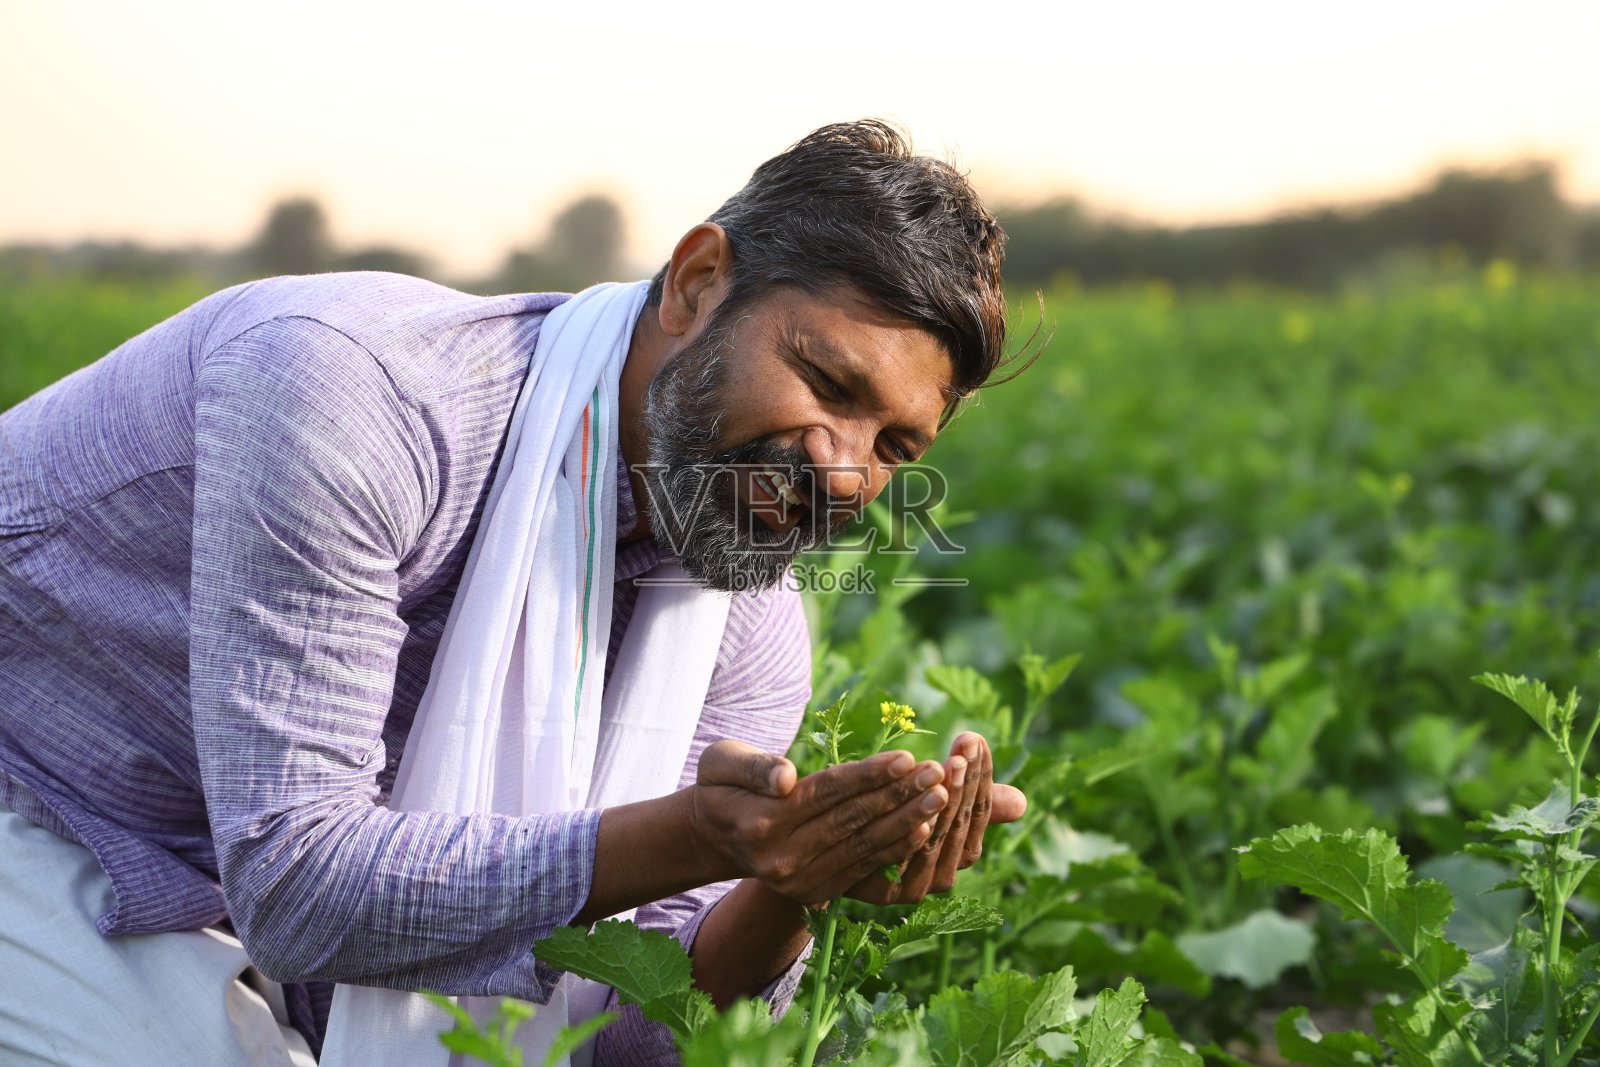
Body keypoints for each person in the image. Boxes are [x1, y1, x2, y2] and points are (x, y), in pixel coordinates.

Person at [0, 120, 1029, 1066]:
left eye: (895, 446)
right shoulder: (355, 398)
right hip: (44, 795)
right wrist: (696, 833)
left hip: (229, 904)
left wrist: (793, 883)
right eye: (828, 384)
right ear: (696, 283)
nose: (844, 472)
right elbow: (299, 887)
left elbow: (620, 1036)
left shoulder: (742, 626)